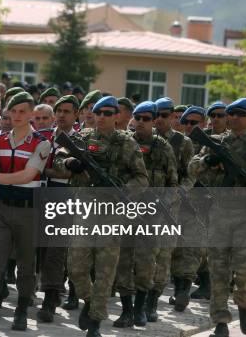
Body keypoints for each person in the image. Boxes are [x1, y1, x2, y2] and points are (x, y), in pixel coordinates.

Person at [54, 95, 148, 337]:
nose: (103, 117)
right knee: (75, 267)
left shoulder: (127, 144)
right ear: (93, 115)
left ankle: (95, 321)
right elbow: (59, 157)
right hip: (84, 209)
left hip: (112, 214)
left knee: (105, 271)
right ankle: (88, 300)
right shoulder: (82, 138)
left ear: (117, 116)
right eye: (100, 113)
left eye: (109, 113)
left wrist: (122, 192)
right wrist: (70, 162)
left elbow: (141, 178)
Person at [189, 98, 246, 337]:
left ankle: (243, 304)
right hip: (219, 212)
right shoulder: (215, 143)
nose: (235, 117)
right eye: (232, 113)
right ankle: (220, 321)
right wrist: (207, 160)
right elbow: (192, 168)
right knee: (218, 268)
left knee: (244, 267)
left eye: (241, 114)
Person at [0, 92, 51, 332]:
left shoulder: (41, 143)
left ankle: (22, 311)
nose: (16, 116)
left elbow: (28, 175)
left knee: (26, 263)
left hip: (29, 210)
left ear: (31, 114)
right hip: (1, 207)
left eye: (22, 111)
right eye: (13, 111)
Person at [115, 101, 179, 326]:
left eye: (146, 119)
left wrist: (163, 203)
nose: (140, 122)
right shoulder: (123, 142)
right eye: (137, 118)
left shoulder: (163, 147)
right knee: (123, 263)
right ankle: (126, 311)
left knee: (145, 264)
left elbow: (173, 184)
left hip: (152, 216)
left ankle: (141, 308)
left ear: (154, 121)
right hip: (125, 212)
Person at [36, 95, 79, 323]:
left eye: (67, 111)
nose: (62, 115)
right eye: (59, 111)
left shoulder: (80, 141)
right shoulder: (42, 136)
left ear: (76, 115)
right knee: (43, 249)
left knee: (55, 249)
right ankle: (52, 289)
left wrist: (46, 171)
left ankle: (50, 298)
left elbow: (71, 173)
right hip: (40, 196)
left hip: (65, 198)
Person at [153, 97, 198, 312]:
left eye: (164, 115)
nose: (159, 119)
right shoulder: (143, 140)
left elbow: (191, 175)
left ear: (172, 116)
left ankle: (182, 290)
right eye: (156, 115)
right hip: (150, 203)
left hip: (177, 202)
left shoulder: (183, 142)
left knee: (181, 249)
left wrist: (180, 191)